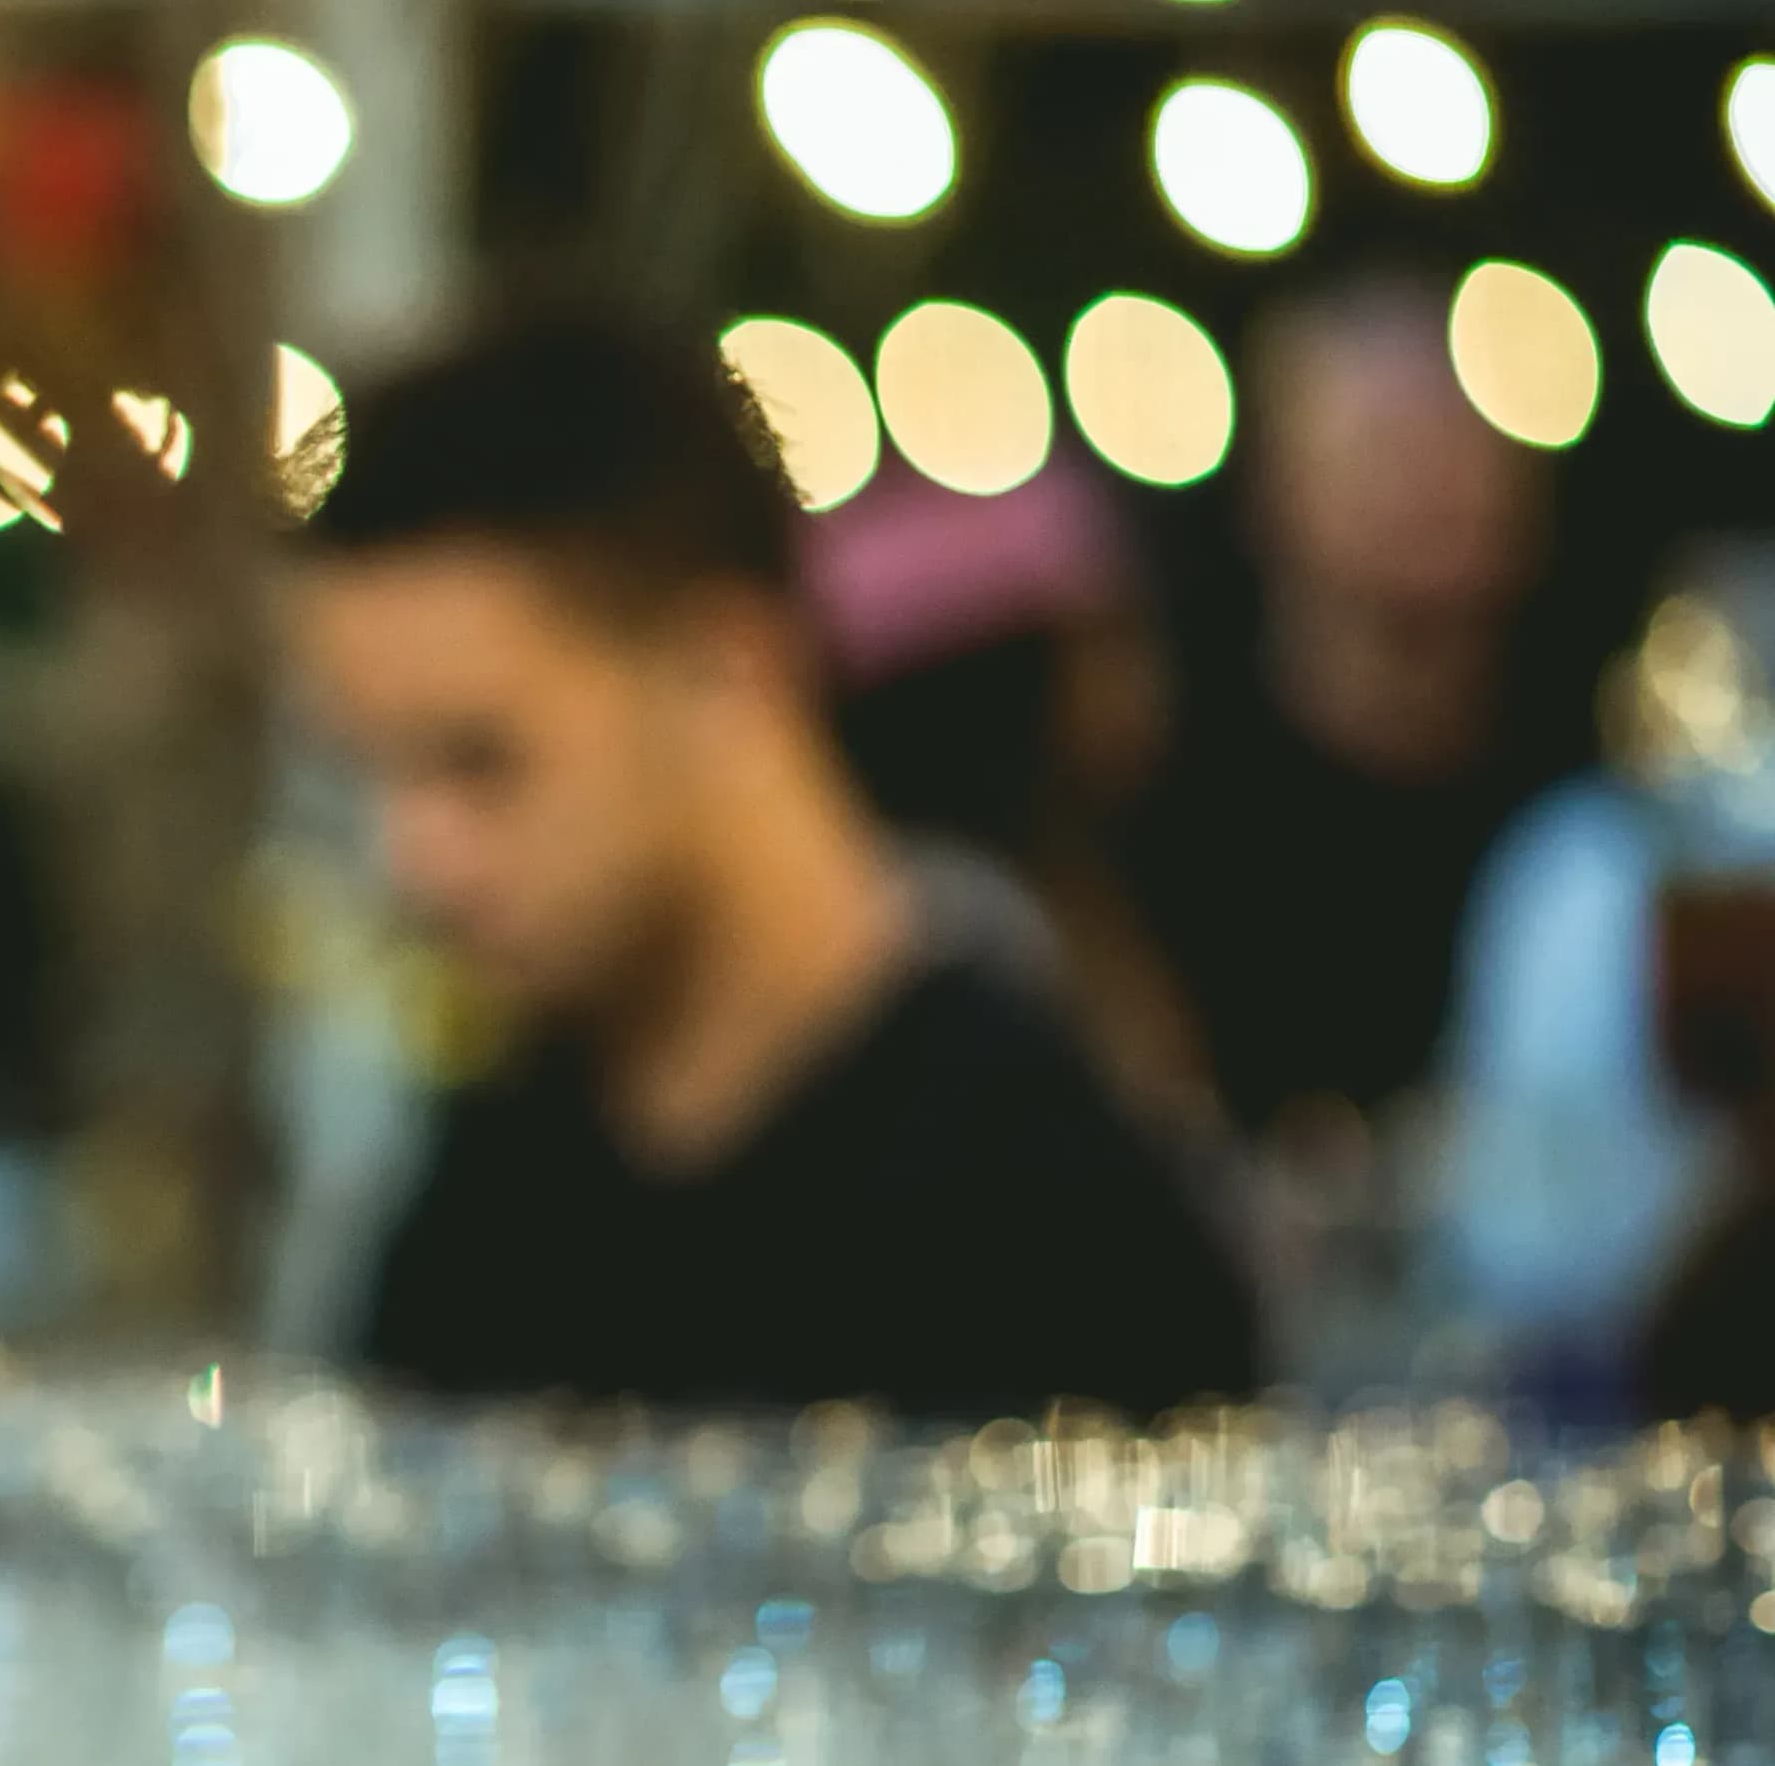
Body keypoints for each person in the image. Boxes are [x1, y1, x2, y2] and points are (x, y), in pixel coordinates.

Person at [291, 307, 1260, 1419]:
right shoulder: (492, 1192)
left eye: (479, 763)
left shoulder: (1056, 1222)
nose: (414, 857)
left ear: (726, 673)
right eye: (377, 775)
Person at [1113, 273, 1576, 1129]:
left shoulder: (1599, 811)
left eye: (1463, 438)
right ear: (1269, 487)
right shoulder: (1169, 821)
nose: (1431, 482)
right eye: (1383, 443)